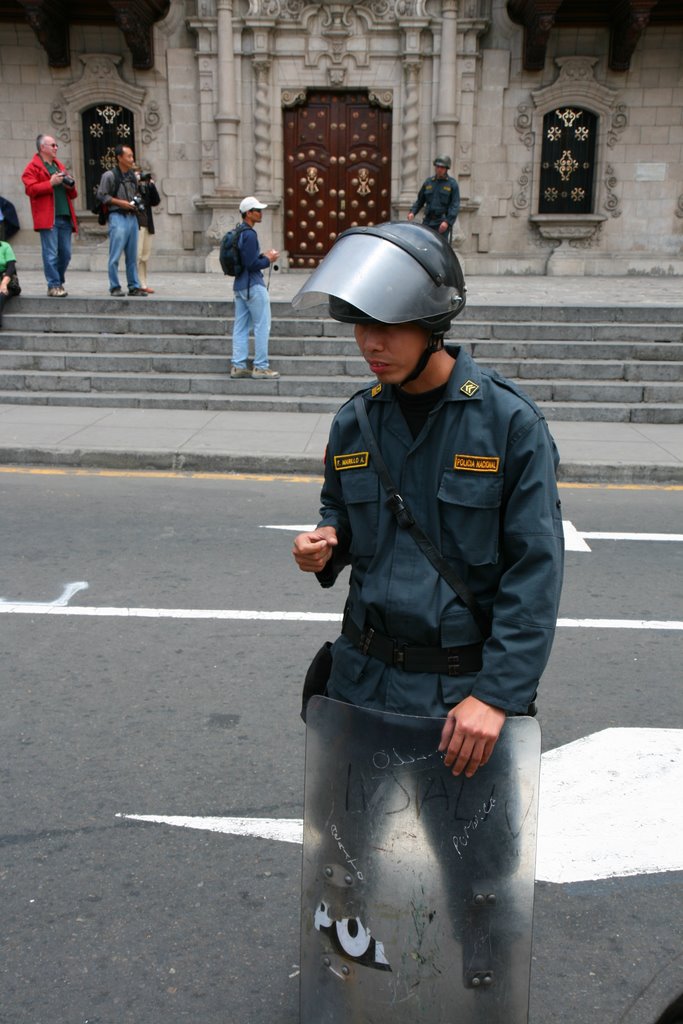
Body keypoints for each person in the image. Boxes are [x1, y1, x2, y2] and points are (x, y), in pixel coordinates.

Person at [291, 221, 564, 779]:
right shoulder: (356, 420)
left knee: (468, 864)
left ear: (433, 324)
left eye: (387, 325)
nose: (370, 343)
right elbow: (340, 509)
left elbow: (534, 572)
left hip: (460, 704)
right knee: (352, 860)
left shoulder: (507, 423)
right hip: (359, 685)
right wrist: (327, 539)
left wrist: (496, 696)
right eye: (360, 325)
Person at [21, 134, 78, 297]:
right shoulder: (32, 167)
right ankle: (53, 285)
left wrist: (69, 184)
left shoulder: (59, 165)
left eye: (56, 145)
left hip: (65, 216)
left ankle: (57, 282)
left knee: (66, 254)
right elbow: (30, 190)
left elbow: (73, 194)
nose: (56, 148)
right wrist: (50, 183)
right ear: (42, 148)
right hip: (48, 218)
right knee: (51, 253)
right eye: (52, 145)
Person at [230, 196, 280, 380]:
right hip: (253, 286)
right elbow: (251, 264)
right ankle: (260, 366)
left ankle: (238, 365)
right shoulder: (250, 234)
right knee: (262, 325)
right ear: (248, 213)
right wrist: (269, 259)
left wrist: (262, 256)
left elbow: (245, 260)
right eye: (257, 210)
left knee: (241, 326)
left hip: (240, 285)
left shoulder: (239, 232)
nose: (261, 213)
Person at [96, 144, 147, 297]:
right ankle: (114, 286)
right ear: (119, 158)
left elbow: (136, 193)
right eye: (129, 156)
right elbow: (101, 195)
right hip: (117, 217)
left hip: (132, 217)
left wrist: (136, 201)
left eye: (132, 156)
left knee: (132, 256)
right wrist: (120, 203)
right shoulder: (109, 176)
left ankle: (134, 286)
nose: (132, 159)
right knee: (115, 255)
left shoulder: (132, 175)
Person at [408, 154, 460, 241]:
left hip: (441, 222)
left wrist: (447, 222)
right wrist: (412, 212)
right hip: (428, 221)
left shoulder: (452, 184)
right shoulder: (428, 182)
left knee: (440, 247)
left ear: (446, 169)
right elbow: (420, 201)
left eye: (442, 167)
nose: (439, 169)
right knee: (425, 245)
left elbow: (454, 205)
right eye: (438, 167)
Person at [135, 169, 161, 293]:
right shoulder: (131, 188)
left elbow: (156, 201)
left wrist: (151, 184)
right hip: (136, 225)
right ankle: (135, 283)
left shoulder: (145, 189)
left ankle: (143, 284)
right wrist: (135, 183)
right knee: (137, 255)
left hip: (147, 225)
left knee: (145, 256)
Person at [0, 238, 20, 327]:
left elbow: (11, 267)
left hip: (7, 280)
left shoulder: (5, 246)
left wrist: (3, 283)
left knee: (1, 294)